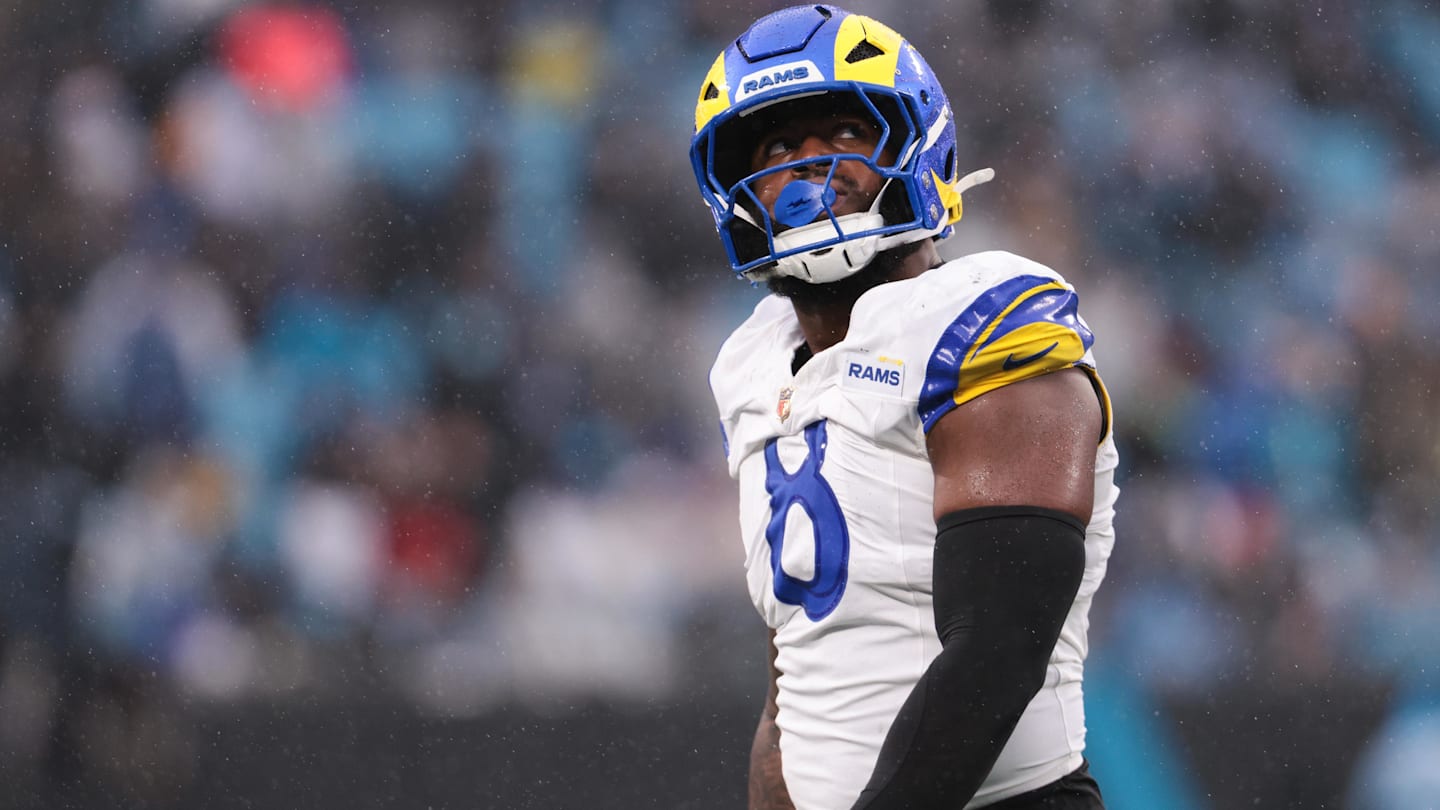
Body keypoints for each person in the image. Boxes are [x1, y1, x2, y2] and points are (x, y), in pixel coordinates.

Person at [689, 5, 1118, 809]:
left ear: (920, 150)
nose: (812, 168)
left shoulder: (985, 316)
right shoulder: (751, 365)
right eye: (779, 147)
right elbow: (802, 681)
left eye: (847, 133)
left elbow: (999, 652)